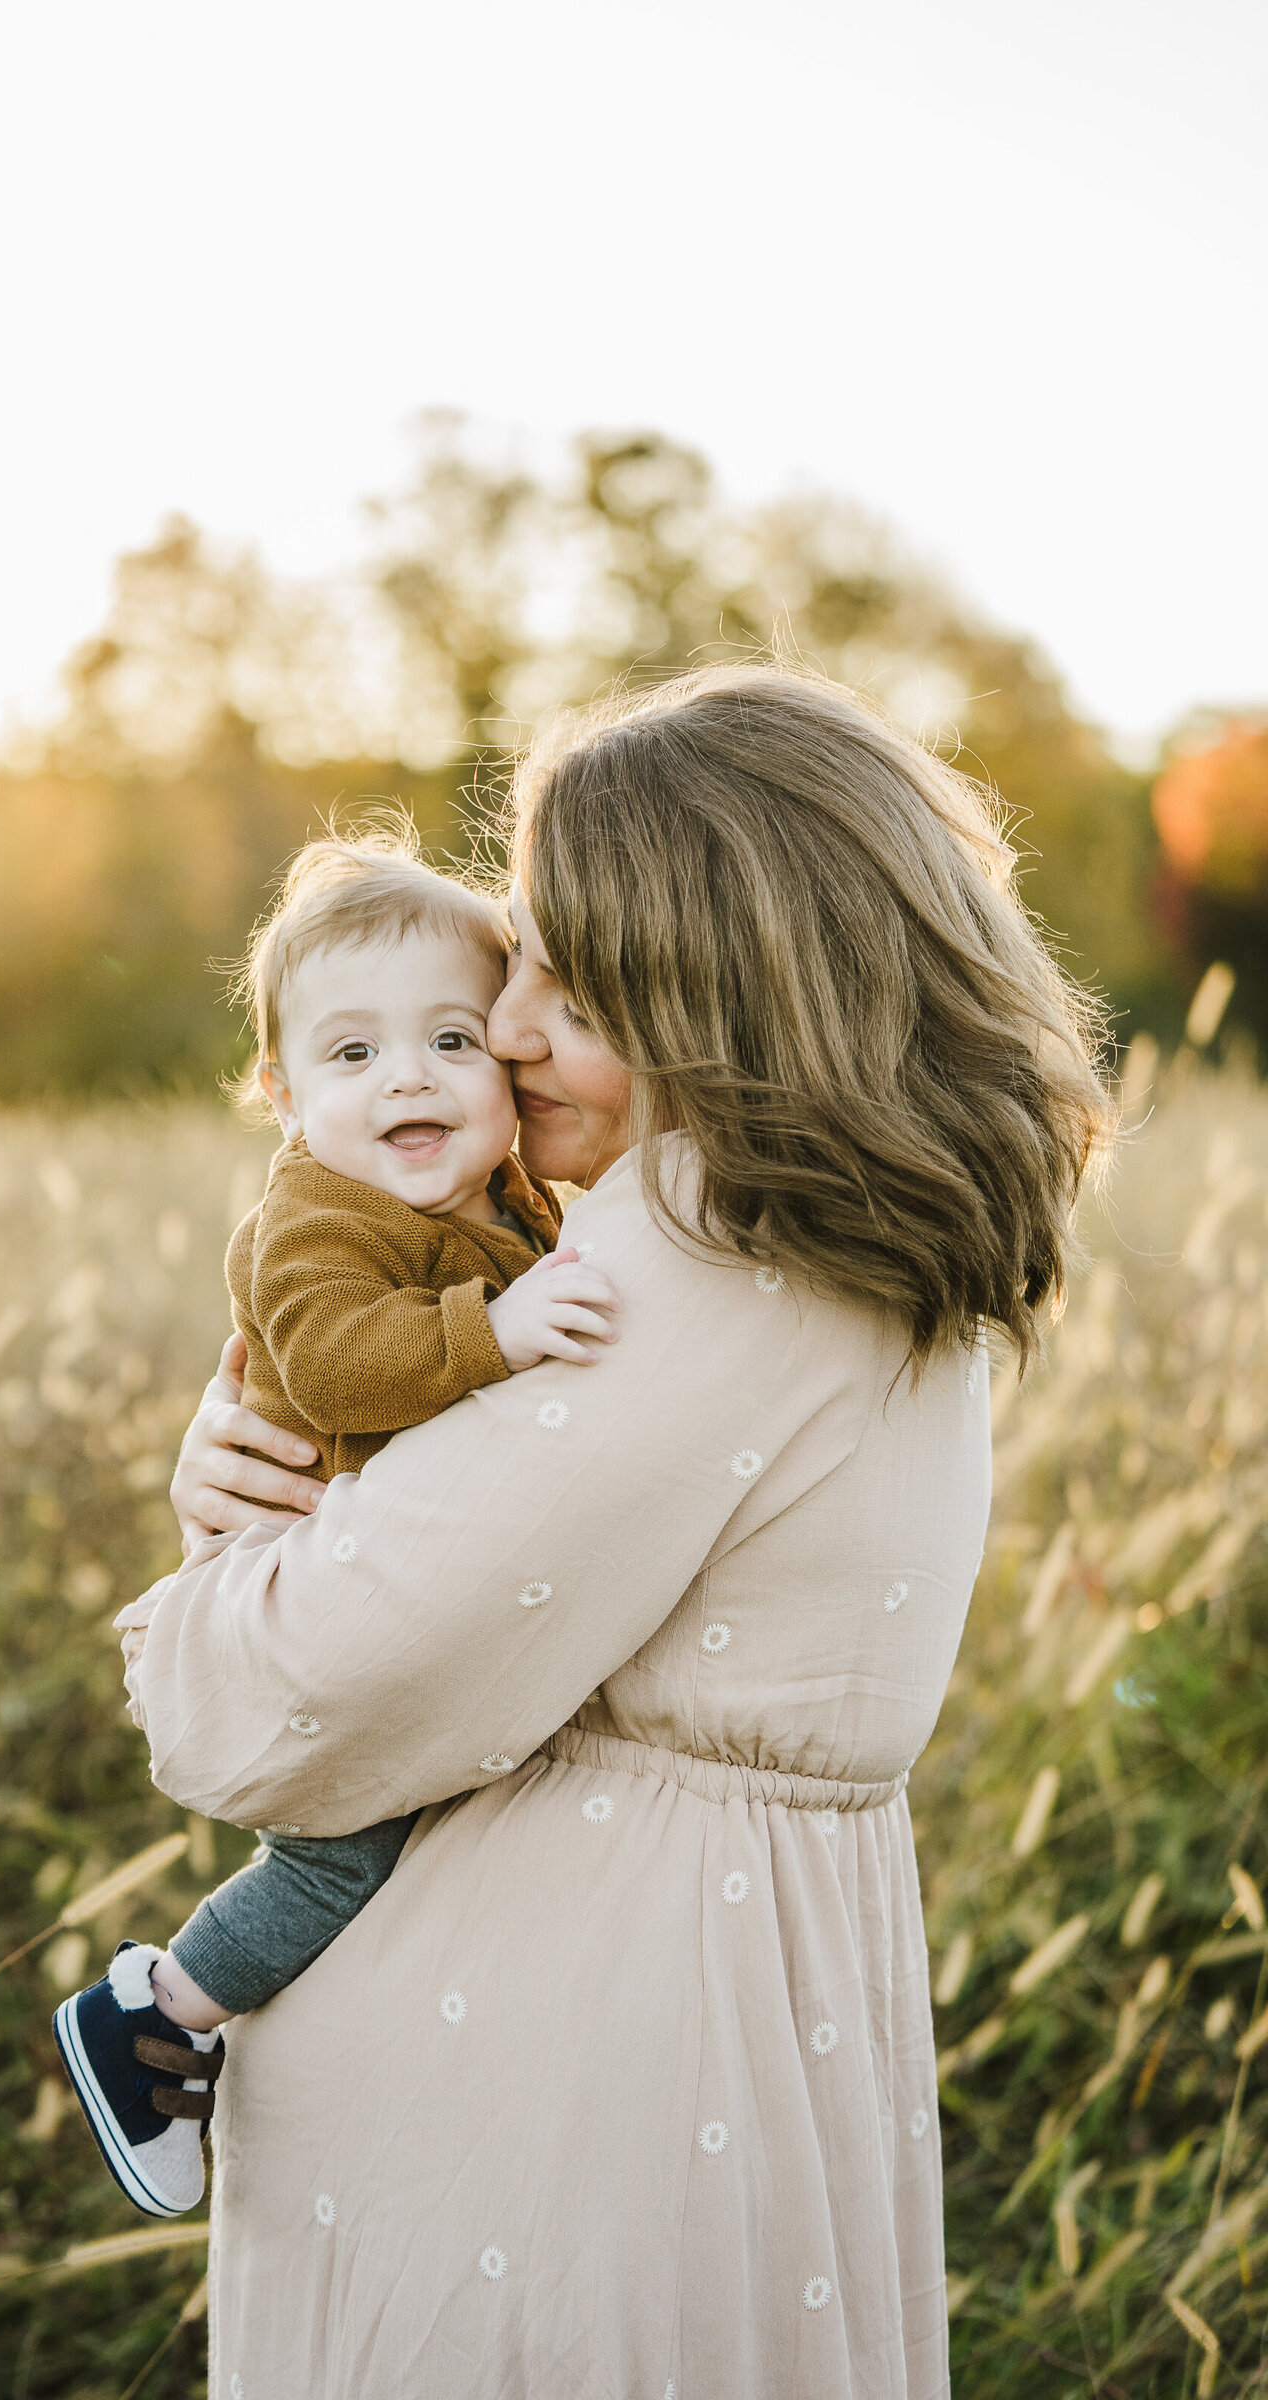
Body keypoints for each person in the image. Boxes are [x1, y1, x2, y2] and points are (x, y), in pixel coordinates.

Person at [120, 666, 1113, 2397]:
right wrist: (275, 1449)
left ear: (710, 998)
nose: (501, 1034)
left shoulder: (698, 1255)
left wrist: (225, 1574)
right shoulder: (860, 1252)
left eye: (561, 990)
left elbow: (292, 1690)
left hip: (558, 2080)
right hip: (737, 2022)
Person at [53, 836, 618, 2219]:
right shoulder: (316, 1217)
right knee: (342, 1853)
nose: (408, 1077)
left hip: (413, 1584)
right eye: (352, 1056)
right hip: (322, 1597)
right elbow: (338, 1368)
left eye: (448, 1039)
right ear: (284, 1097)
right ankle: (157, 2008)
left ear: (507, 1067)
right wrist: (496, 1329)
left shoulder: (506, 1200)